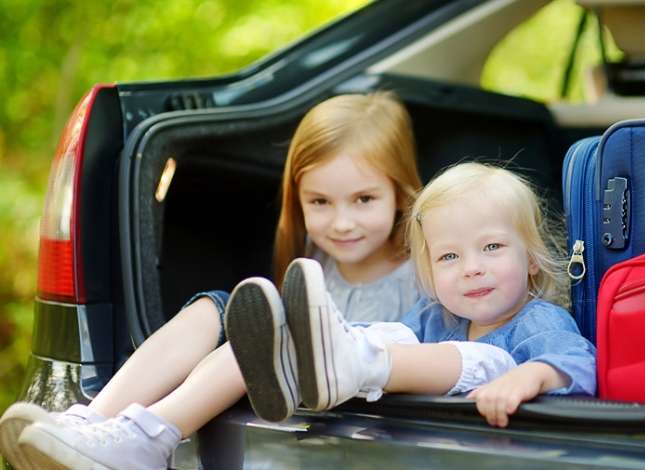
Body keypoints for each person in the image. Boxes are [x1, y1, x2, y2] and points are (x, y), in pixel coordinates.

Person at [0, 91, 424, 470]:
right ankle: (88, 422)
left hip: (355, 396)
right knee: (218, 305)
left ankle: (148, 441)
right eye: (320, 202)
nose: (342, 222)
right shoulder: (315, 260)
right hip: (290, 384)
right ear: (298, 200)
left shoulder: (424, 276)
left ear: (402, 195)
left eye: (364, 199)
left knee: (262, 327)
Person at [232, 162, 597, 429]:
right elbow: (391, 339)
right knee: (393, 336)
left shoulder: (538, 321)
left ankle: (349, 362)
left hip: (496, 450)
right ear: (430, 272)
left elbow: (582, 365)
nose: (471, 267)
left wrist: (530, 375)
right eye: (449, 256)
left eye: (492, 246)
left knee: (487, 357)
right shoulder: (435, 316)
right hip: (428, 441)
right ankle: (311, 349)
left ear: (532, 258)